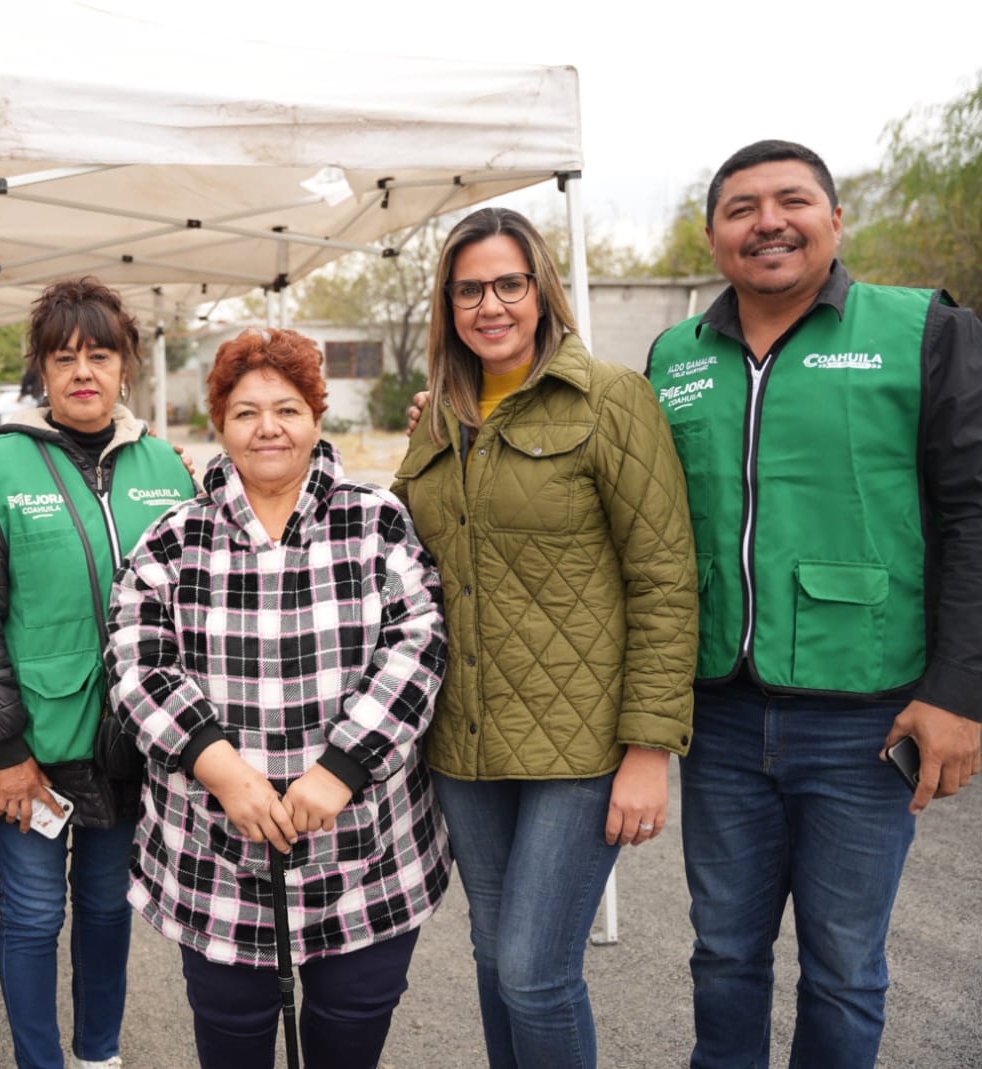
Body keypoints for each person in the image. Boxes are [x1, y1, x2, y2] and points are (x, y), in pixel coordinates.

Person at [645, 140, 982, 1069]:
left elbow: (973, 512)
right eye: (741, 208)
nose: (768, 222)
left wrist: (960, 692)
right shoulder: (676, 355)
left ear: (837, 220)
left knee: (842, 964)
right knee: (723, 957)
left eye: (792, 200)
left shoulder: (924, 330)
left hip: (867, 715)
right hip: (717, 712)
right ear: (714, 236)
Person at [392, 207, 698, 1069]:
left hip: (581, 745)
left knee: (534, 970)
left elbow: (666, 579)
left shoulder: (611, 400)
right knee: (496, 963)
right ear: (448, 305)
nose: (490, 305)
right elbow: (404, 557)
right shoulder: (437, 419)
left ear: (541, 291)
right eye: (468, 290)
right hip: (465, 741)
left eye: (508, 284)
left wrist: (649, 750)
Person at [106, 327, 449, 1069]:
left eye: (287, 408)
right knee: (231, 1035)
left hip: (365, 848)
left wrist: (342, 768)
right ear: (220, 425)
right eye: (246, 410)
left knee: (350, 1029)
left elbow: (418, 643)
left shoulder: (375, 520)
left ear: (317, 418)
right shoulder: (173, 539)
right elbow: (137, 661)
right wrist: (222, 769)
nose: (268, 427)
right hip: (216, 850)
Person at [0, 277, 196, 1069]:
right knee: (30, 917)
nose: (83, 371)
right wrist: (5, 750)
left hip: (131, 744)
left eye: (100, 354)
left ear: (126, 365)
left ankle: (100, 1056)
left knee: (104, 910)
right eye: (65, 357)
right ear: (42, 372)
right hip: (32, 747)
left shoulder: (167, 464)